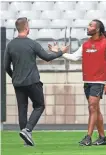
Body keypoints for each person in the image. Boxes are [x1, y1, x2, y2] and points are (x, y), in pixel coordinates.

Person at [49, 19, 106, 146]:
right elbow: (74, 57)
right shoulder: (85, 44)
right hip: (87, 81)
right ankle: (103, 138)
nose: (88, 27)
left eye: (91, 25)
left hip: (99, 81)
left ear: (97, 29)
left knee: (92, 107)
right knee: (96, 109)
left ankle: (88, 137)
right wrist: (59, 53)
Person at [4, 17, 69, 146]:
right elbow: (47, 57)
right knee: (39, 105)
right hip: (32, 81)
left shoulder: (10, 45)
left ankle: (26, 140)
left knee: (22, 109)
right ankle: (28, 130)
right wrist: (61, 52)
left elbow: (5, 66)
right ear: (26, 28)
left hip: (18, 83)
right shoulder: (32, 43)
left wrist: (14, 77)